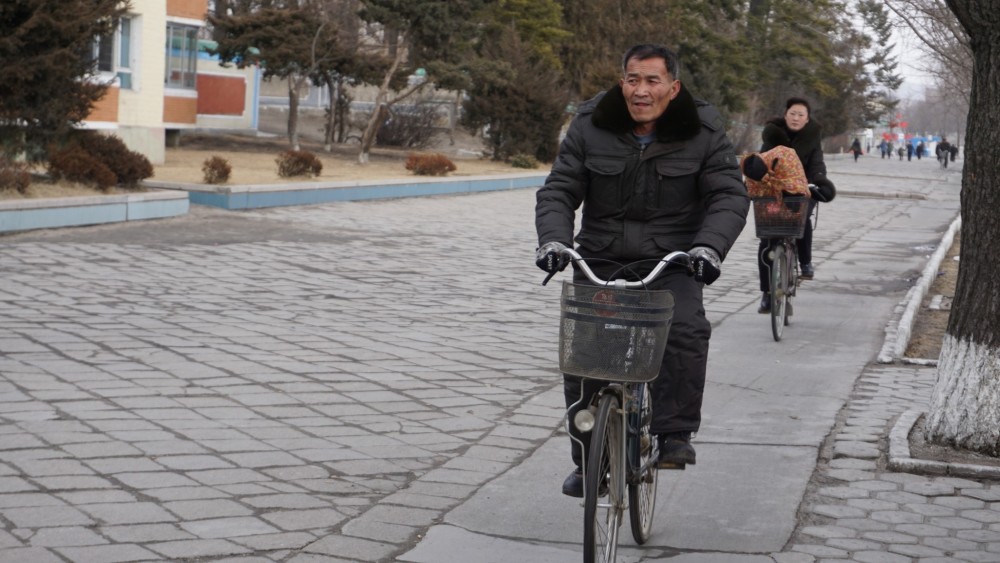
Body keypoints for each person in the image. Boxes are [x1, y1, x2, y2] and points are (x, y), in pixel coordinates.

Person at [535, 44, 749, 497]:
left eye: (652, 81)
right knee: (586, 353)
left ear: (673, 87)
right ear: (622, 82)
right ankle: (590, 458)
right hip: (601, 257)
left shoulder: (703, 130)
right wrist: (554, 240)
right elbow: (560, 188)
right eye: (633, 79)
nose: (641, 90)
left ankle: (674, 434)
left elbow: (729, 196)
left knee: (687, 330)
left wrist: (708, 248)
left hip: (673, 261)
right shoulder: (591, 125)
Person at [753, 97, 835, 313]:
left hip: (801, 190)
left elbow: (817, 165)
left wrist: (819, 182)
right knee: (767, 240)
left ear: (807, 120)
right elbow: (762, 160)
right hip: (775, 192)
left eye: (801, 115)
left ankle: (805, 262)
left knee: (802, 218)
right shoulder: (773, 135)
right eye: (792, 113)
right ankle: (767, 293)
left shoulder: (812, 139)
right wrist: (756, 176)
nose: (796, 118)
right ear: (785, 114)